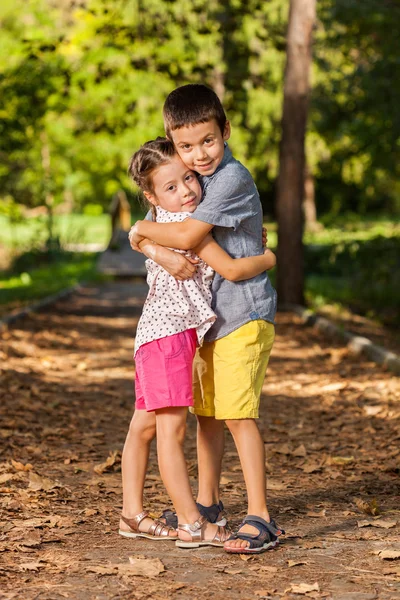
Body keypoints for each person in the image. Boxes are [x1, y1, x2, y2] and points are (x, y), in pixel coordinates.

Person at [128, 84, 285, 554]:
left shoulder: (231, 178)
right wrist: (151, 242)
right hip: (209, 321)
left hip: (244, 312)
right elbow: (174, 232)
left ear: (226, 132)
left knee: (238, 414)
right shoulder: (194, 181)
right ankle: (208, 504)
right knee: (208, 416)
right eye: (186, 146)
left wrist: (139, 231)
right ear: (173, 144)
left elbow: (191, 235)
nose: (198, 156)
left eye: (208, 141)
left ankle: (261, 515)